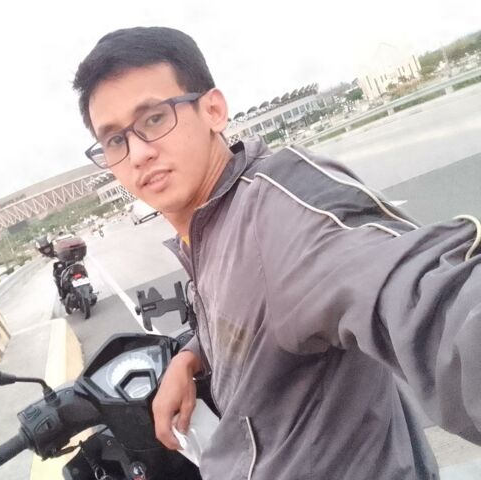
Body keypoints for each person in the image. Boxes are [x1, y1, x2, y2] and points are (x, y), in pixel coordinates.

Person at [73, 27, 481, 479]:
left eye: (153, 119)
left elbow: (426, 299)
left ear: (213, 110)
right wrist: (189, 358)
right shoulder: (210, 224)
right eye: (115, 141)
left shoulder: (280, 211)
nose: (137, 154)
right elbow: (252, 314)